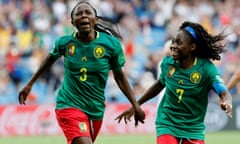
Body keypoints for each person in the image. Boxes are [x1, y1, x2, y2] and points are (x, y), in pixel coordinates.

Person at [18, 1, 145, 144]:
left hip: (95, 108)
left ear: (95, 19)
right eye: (79, 13)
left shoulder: (111, 45)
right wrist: (30, 84)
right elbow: (49, 59)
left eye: (88, 12)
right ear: (73, 22)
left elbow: (120, 77)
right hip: (69, 104)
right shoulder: (65, 43)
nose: (83, 16)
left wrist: (135, 105)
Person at [116, 21, 233, 144]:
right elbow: (159, 84)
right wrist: (136, 104)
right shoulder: (168, 63)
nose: (173, 46)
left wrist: (227, 101)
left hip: (193, 129)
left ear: (192, 47)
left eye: (179, 43)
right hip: (167, 124)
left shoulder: (206, 69)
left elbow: (223, 91)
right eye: (173, 41)